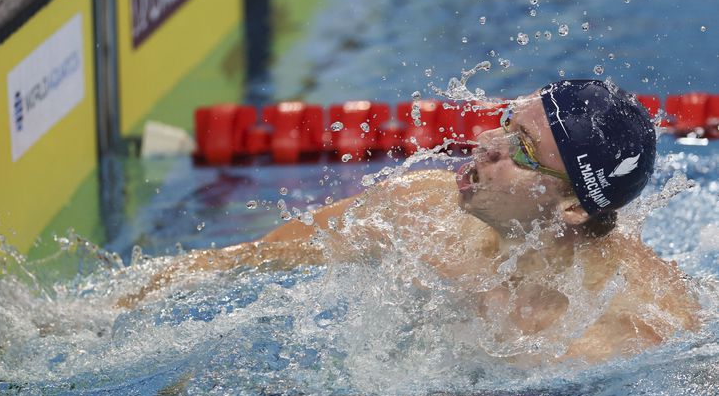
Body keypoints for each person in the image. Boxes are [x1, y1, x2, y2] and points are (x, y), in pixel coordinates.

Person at [117, 79, 700, 363]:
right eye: (503, 121)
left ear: (573, 207)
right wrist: (101, 313)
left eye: (521, 150)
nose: (484, 144)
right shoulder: (417, 209)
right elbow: (242, 261)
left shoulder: (623, 328)